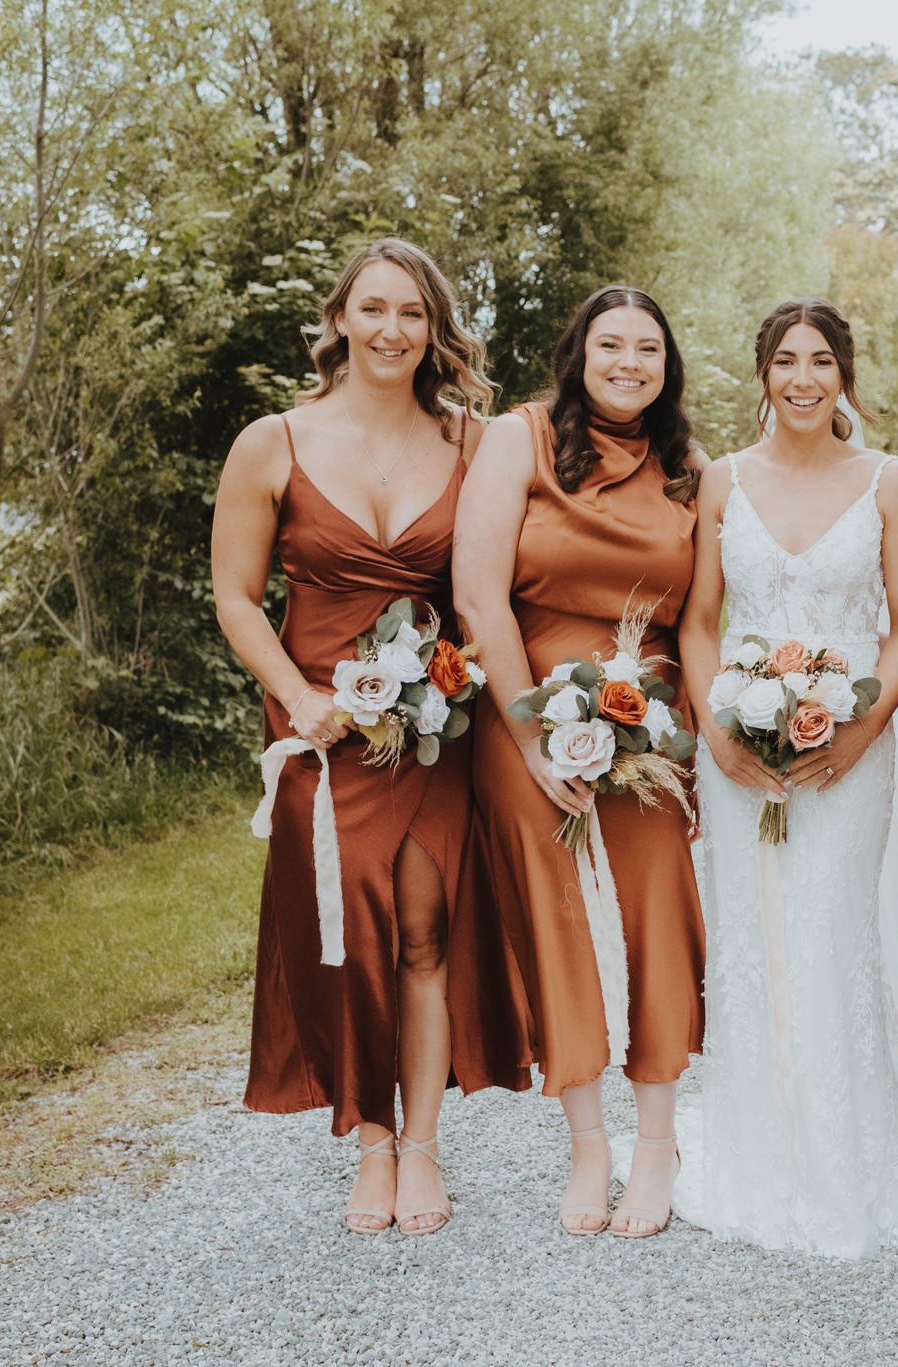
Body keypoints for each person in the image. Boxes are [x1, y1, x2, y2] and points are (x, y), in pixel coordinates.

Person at [211, 237, 531, 1237]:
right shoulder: (274, 442)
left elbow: (496, 584)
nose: (393, 330)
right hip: (323, 730)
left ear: (433, 331)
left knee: (428, 933)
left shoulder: (473, 442)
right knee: (347, 935)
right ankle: (371, 1141)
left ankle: (424, 1143)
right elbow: (234, 593)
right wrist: (295, 697)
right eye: (376, 309)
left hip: (435, 726)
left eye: (413, 314)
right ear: (340, 318)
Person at [676, 299, 898, 1258]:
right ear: (763, 373)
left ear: (844, 374)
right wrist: (716, 734)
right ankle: (759, 1145)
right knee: (753, 934)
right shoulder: (719, 481)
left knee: (830, 926)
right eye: (784, 360)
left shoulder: (890, 483)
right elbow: (697, 622)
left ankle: (852, 1150)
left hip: (850, 739)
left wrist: (864, 727)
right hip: (738, 738)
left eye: (820, 360)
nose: (802, 378)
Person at [453, 286, 704, 1238]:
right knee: (553, 917)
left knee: (657, 913)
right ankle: (588, 1142)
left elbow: (713, 606)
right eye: (611, 344)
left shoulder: (690, 467)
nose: (629, 361)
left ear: (666, 365)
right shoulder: (517, 438)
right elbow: (478, 592)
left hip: (651, 720)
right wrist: (528, 732)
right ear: (579, 352)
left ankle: (656, 1142)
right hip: (524, 705)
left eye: (649, 346)